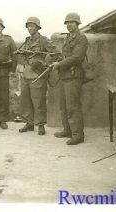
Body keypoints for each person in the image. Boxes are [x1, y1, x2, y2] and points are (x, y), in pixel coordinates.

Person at [52, 12, 88, 145]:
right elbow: (66, 55)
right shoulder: (68, 37)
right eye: (67, 23)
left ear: (77, 23)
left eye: (71, 22)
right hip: (65, 76)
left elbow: (77, 57)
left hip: (74, 76)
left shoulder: (81, 38)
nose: (68, 25)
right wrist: (56, 60)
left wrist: (59, 64)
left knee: (73, 106)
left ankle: (78, 135)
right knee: (63, 106)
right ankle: (67, 130)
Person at [16, 16, 56, 135]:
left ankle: (40, 124)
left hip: (38, 75)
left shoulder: (43, 40)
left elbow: (55, 53)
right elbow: (20, 53)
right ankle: (29, 123)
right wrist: (23, 62)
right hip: (26, 74)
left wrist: (43, 63)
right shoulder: (27, 40)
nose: (30, 28)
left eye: (32, 26)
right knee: (26, 100)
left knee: (38, 102)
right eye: (28, 26)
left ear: (37, 27)